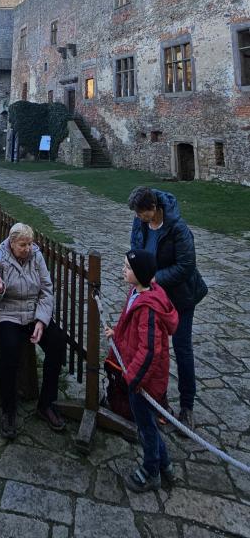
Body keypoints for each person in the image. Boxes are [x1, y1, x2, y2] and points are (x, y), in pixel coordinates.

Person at [128, 186, 208, 429]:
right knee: (153, 348)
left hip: (180, 297)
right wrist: (136, 274)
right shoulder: (140, 222)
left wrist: (154, 278)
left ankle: (187, 406)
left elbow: (186, 265)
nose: (138, 217)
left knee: (182, 349)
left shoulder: (178, 228)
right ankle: (157, 398)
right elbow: (136, 249)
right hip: (154, 297)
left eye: (141, 213)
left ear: (154, 208)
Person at [105, 249, 178, 493]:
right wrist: (117, 333)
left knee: (146, 428)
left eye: (127, 267)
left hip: (144, 381)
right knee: (147, 424)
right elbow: (129, 326)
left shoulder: (149, 309)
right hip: (138, 375)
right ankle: (165, 464)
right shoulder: (136, 293)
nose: (123, 270)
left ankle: (151, 471)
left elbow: (149, 351)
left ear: (140, 273)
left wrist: (133, 380)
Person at [0, 222, 67, 440]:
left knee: (57, 341)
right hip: (6, 313)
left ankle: (46, 403)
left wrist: (41, 320)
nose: (27, 248)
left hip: (33, 313)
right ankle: (9, 410)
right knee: (10, 347)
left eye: (30, 244)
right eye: (23, 245)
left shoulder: (36, 257)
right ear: (11, 243)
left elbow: (47, 290)